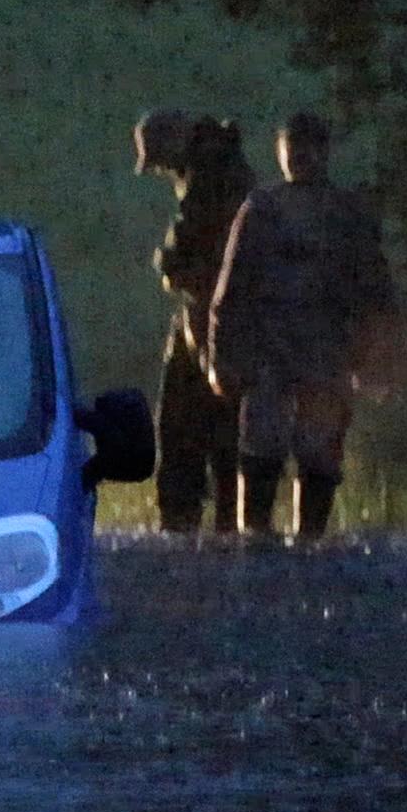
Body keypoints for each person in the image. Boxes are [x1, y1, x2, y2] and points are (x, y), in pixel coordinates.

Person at [207, 111, 396, 542]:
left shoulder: (345, 214)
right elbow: (230, 291)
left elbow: (374, 291)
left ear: (324, 153)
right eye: (292, 150)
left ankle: (309, 540)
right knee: (261, 447)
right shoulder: (261, 210)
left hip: (327, 348)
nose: (299, 159)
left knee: (319, 451)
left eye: (306, 150)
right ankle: (254, 535)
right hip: (270, 347)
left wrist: (375, 357)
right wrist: (222, 357)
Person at [134, 109, 254, 537]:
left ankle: (192, 521)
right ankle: (225, 519)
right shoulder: (218, 166)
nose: (163, 172)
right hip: (215, 314)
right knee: (214, 426)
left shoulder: (211, 177)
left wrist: (170, 264)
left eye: (162, 162)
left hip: (214, 317)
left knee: (189, 423)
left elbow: (197, 255)